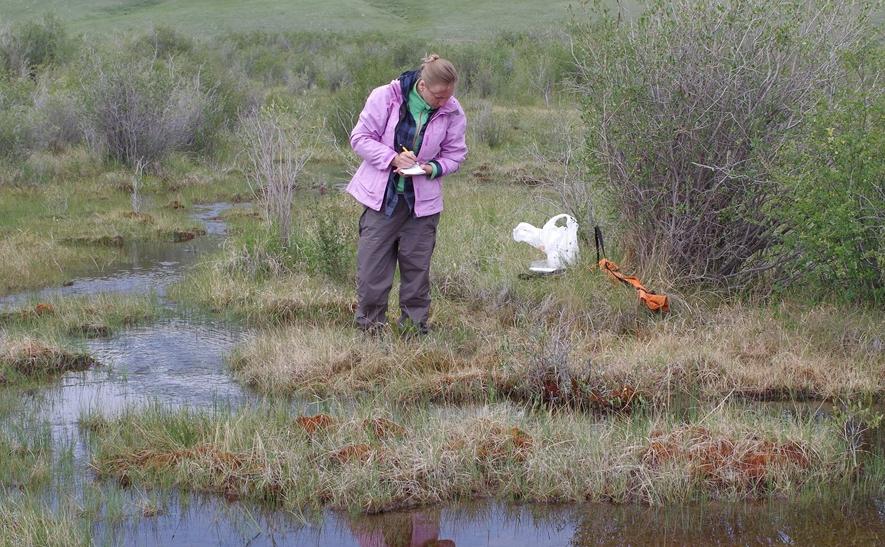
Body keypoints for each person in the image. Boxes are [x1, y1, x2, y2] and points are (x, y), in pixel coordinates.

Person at [346, 54, 468, 334]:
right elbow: (360, 138)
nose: (444, 102)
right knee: (372, 272)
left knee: (417, 273)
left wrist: (431, 167)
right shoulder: (385, 97)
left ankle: (413, 331)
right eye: (439, 96)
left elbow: (456, 154)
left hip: (422, 207)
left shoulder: (452, 109)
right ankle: (370, 331)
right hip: (382, 202)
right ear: (422, 86)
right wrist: (392, 158)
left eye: (449, 96)